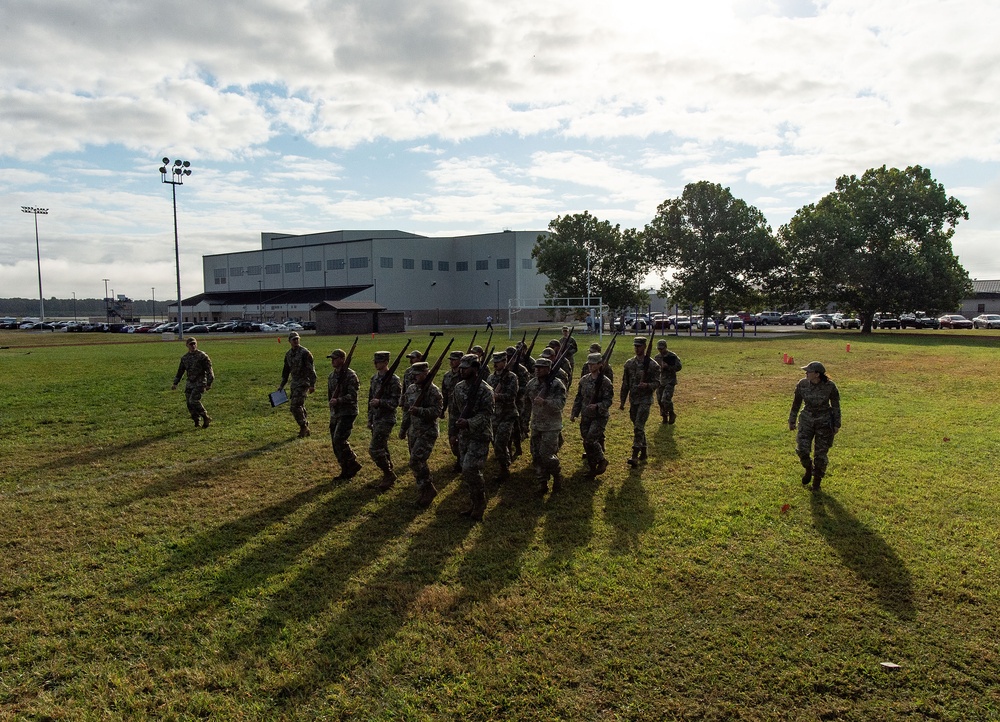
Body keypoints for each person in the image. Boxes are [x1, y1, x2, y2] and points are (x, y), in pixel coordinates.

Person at [449, 354, 494, 521]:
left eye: (465, 367)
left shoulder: (485, 390)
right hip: (464, 436)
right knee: (466, 470)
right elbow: (454, 412)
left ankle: (480, 503)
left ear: (475, 369)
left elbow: (486, 415)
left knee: (470, 468)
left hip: (480, 435)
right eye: (460, 367)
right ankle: (474, 502)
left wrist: (468, 423)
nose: (461, 370)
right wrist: (453, 432)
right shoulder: (458, 387)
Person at [789, 361, 841, 491]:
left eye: (809, 371)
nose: (806, 373)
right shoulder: (802, 384)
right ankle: (808, 468)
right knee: (802, 449)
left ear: (817, 374)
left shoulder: (830, 386)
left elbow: (835, 406)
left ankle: (816, 483)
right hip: (806, 419)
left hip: (824, 422)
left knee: (821, 454)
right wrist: (792, 420)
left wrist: (836, 424)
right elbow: (796, 403)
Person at [401, 361, 444, 507]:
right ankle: (424, 491)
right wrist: (403, 428)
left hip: (427, 432)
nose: (414, 377)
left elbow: (436, 412)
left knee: (416, 461)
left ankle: (428, 489)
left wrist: (420, 411)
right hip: (413, 431)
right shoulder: (411, 389)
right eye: (413, 374)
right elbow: (407, 410)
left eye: (417, 374)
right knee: (417, 463)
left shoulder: (434, 392)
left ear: (426, 373)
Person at [525, 356, 567, 495]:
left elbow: (560, 404)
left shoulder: (557, 384)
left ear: (549, 369)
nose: (537, 370)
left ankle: (557, 476)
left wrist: (545, 402)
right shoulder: (531, 384)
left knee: (547, 455)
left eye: (541, 367)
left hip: (551, 426)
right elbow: (527, 402)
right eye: (536, 367)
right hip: (536, 424)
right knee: (536, 455)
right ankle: (542, 483)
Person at [571, 352, 614, 476]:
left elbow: (608, 401)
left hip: (599, 416)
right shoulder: (584, 380)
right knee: (586, 442)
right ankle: (592, 468)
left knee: (590, 440)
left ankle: (602, 460)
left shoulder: (605, 382)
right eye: (589, 363)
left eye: (593, 364)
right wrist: (574, 412)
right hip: (586, 415)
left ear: (600, 365)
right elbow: (579, 397)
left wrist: (597, 406)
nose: (590, 366)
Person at [619, 336, 659, 466]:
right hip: (633, 400)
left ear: (644, 347)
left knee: (638, 426)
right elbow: (625, 384)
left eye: (639, 346)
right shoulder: (629, 364)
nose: (637, 348)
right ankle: (644, 450)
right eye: (635, 346)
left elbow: (657, 382)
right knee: (638, 426)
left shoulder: (653, 365)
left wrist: (647, 385)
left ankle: (634, 456)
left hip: (645, 400)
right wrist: (622, 401)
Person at [368, 350, 402, 490]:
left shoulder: (394, 380)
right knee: (382, 447)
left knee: (375, 449)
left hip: (386, 418)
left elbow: (395, 402)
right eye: (375, 361)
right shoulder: (374, 379)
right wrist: (370, 418)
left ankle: (388, 474)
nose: (376, 363)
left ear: (386, 362)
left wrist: (380, 402)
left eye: (379, 361)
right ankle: (388, 472)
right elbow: (370, 400)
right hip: (376, 418)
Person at [327, 348, 362, 481]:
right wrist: (332, 405)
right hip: (336, 413)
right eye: (332, 359)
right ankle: (345, 468)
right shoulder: (331, 376)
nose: (333, 361)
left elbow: (352, 396)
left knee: (339, 439)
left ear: (342, 359)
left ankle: (352, 462)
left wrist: (339, 400)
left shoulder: (350, 375)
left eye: (335, 358)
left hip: (348, 412)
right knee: (335, 443)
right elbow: (330, 395)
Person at [487, 350, 520, 482]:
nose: (495, 364)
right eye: (494, 362)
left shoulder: (512, 377)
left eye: (498, 362)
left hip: (508, 415)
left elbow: (512, 396)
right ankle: (505, 460)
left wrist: (497, 396)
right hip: (494, 416)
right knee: (496, 443)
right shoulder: (490, 378)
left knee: (501, 442)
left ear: (505, 362)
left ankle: (504, 469)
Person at [278, 331, 316, 437]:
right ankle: (305, 427)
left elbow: (311, 370)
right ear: (289, 341)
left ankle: (303, 426)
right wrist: (282, 385)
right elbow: (286, 371)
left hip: (304, 382)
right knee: (300, 405)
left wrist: (312, 384)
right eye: (293, 339)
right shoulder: (288, 354)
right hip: (294, 383)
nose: (296, 341)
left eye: (297, 339)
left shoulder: (305, 353)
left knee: (295, 406)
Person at [172, 337, 215, 428]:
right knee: (189, 403)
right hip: (190, 382)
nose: (193, 346)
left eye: (194, 343)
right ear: (187, 345)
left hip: (200, 382)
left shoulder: (202, 356)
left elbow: (209, 370)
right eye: (191, 344)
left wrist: (209, 383)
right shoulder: (185, 358)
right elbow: (180, 371)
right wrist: (175, 383)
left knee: (193, 400)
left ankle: (205, 416)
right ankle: (196, 421)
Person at [441, 349, 466, 472]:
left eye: (454, 360)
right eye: (450, 360)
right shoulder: (447, 376)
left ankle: (461, 462)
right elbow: (445, 394)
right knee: (452, 436)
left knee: (462, 437)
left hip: (464, 411)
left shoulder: (465, 375)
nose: (451, 362)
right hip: (452, 411)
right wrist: (443, 409)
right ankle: (459, 457)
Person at [654, 338, 682, 424]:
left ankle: (672, 413)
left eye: (662, 348)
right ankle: (664, 417)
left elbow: (679, 367)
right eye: (659, 348)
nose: (660, 350)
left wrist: (668, 367)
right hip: (660, 381)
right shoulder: (657, 357)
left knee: (665, 399)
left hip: (670, 381)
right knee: (659, 400)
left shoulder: (672, 356)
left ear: (666, 347)